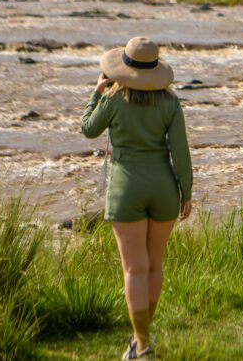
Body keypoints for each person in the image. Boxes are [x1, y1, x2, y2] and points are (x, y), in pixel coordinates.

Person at [81, 37, 193, 360]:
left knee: (134, 269)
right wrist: (187, 192)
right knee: (154, 266)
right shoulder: (171, 103)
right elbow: (181, 153)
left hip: (125, 187)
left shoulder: (114, 98)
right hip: (163, 187)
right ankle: (140, 338)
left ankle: (142, 345)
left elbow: (88, 128)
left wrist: (96, 91)